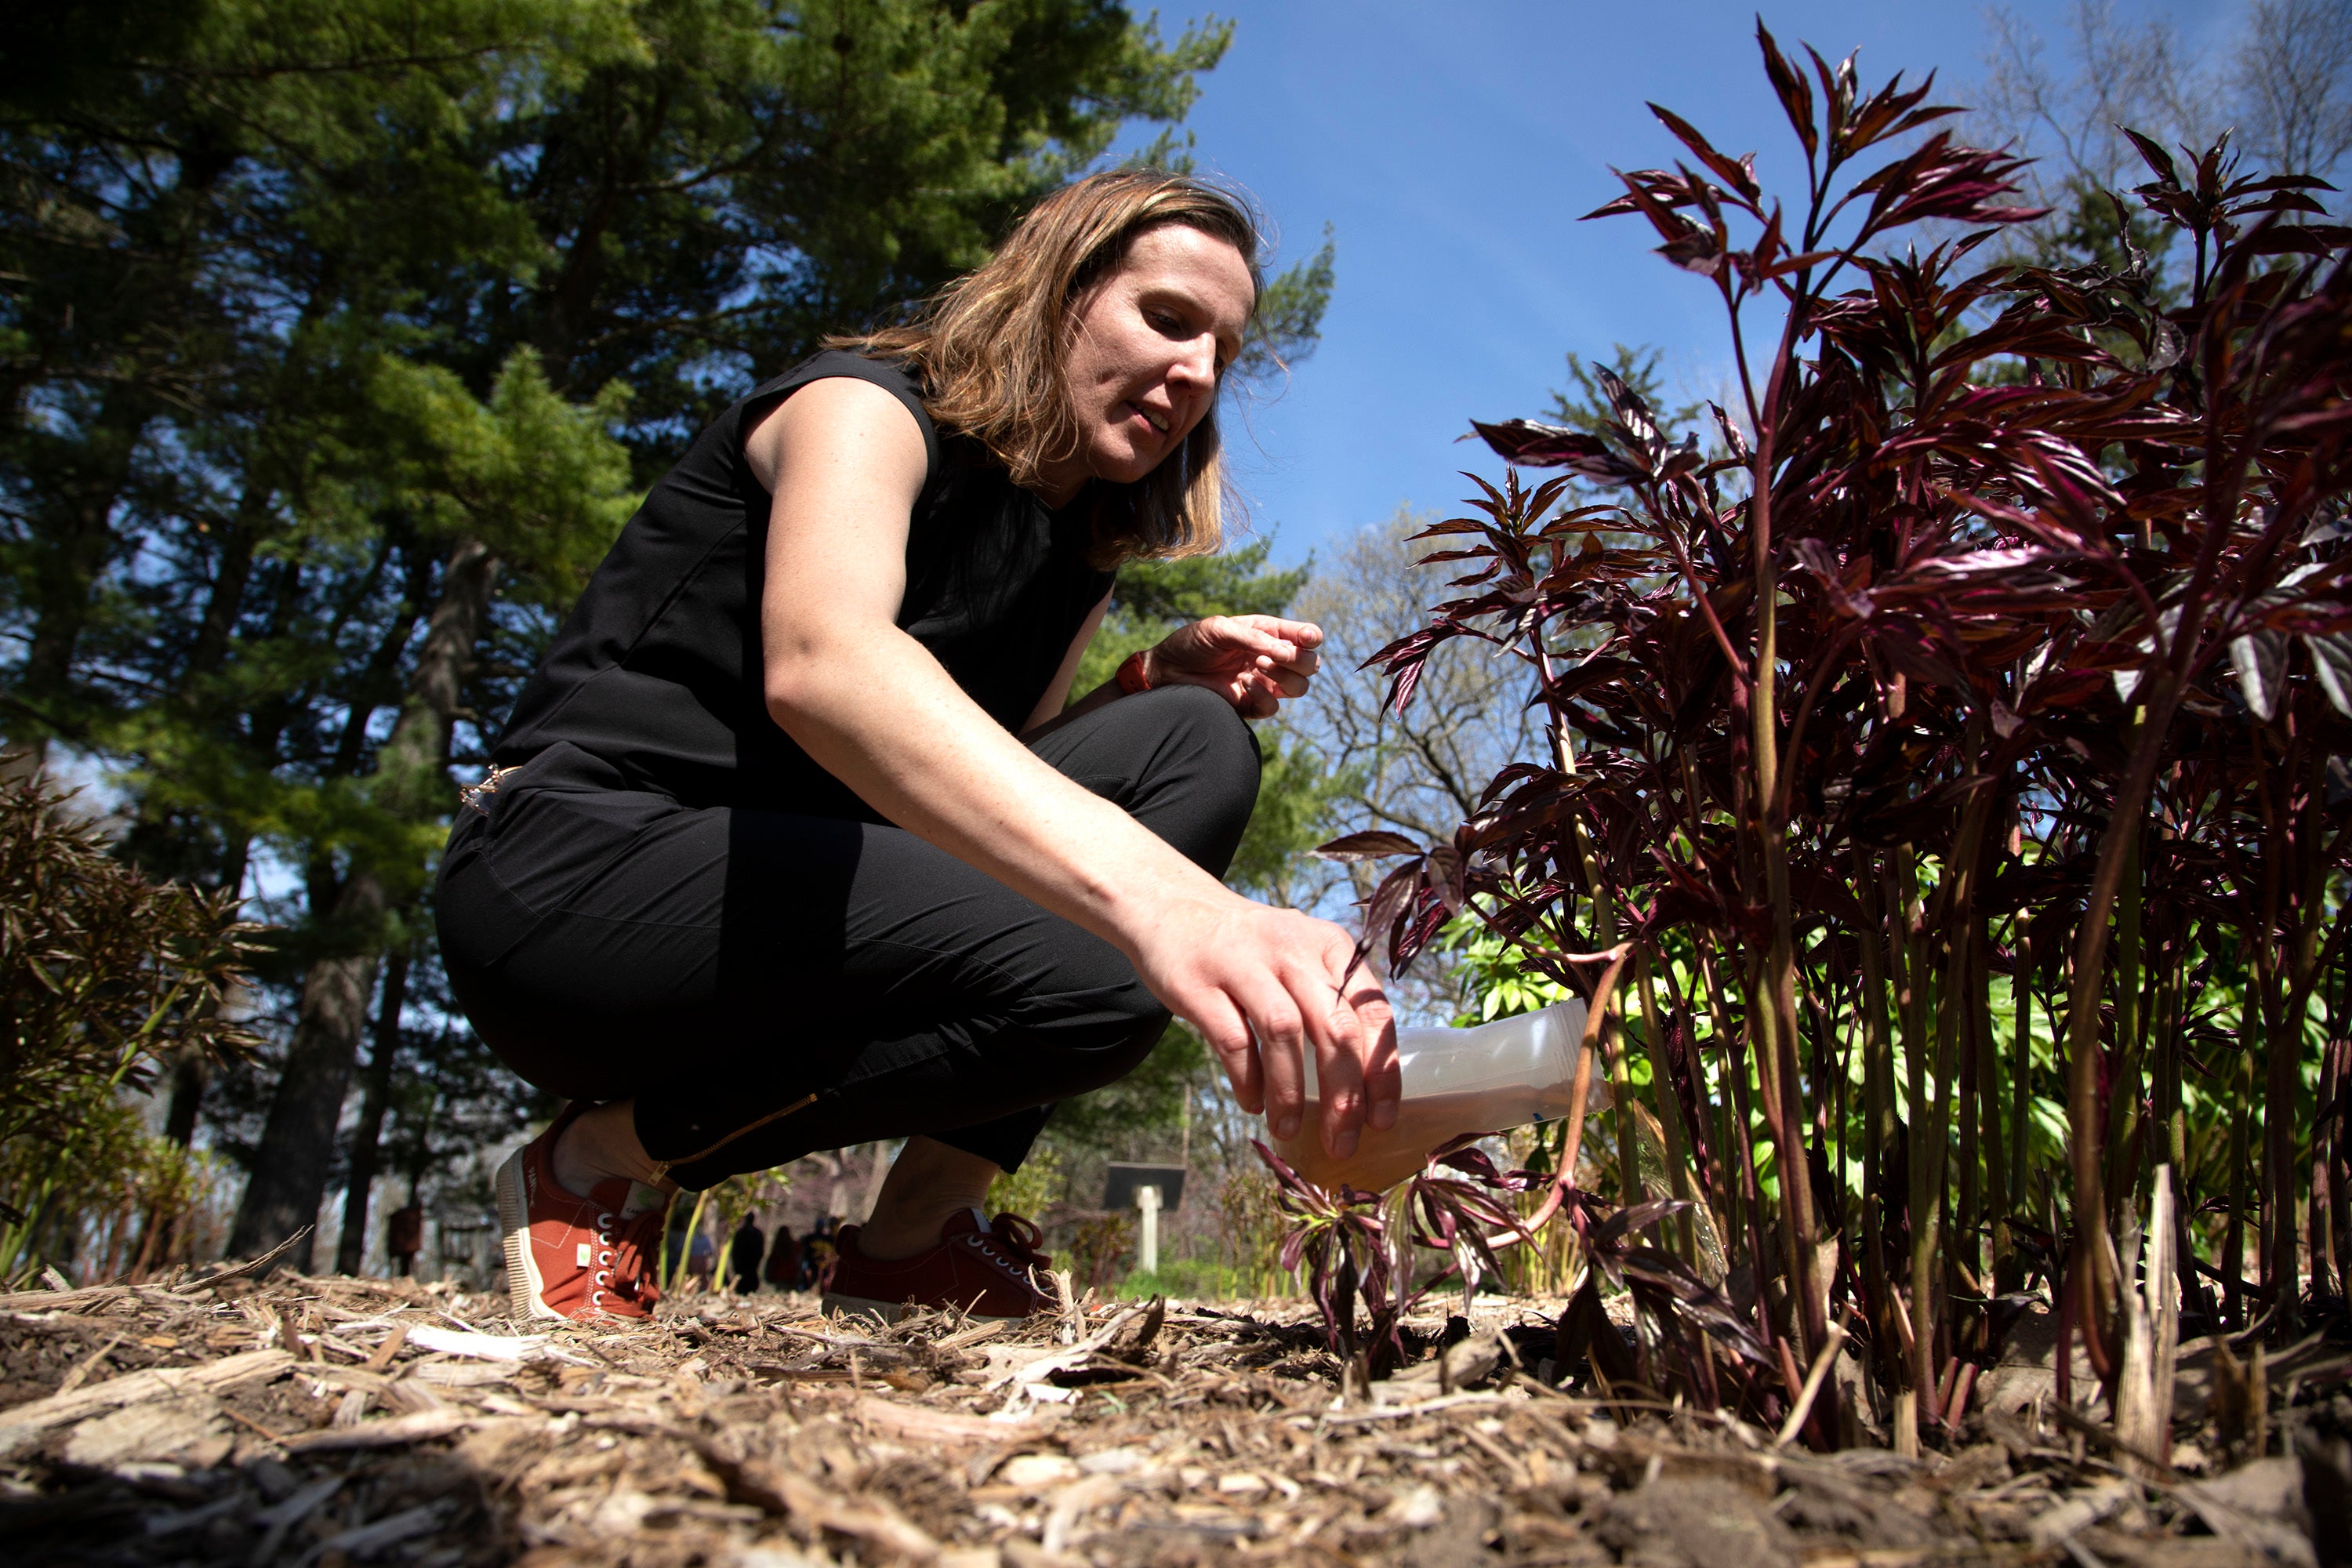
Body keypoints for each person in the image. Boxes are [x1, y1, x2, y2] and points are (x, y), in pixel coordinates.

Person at [445, 170, 1398, 1327]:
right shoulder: (863, 409)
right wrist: (1189, 914)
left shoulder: (1076, 559)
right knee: (1110, 965)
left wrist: (1148, 681)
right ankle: (598, 1165)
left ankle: (915, 1234)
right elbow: (827, 665)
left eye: (1224, 354)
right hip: (572, 875)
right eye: (1167, 317)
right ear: (1058, 291)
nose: (1198, 372)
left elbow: (996, 771)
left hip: (798, 901)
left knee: (1196, 743)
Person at [729, 1217, 766, 1294]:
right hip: (744, 1265)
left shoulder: (753, 1233)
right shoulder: (753, 1233)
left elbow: (760, 1249)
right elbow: (736, 1250)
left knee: (749, 1280)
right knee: (745, 1281)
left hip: (750, 1264)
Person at [762, 1221, 797, 1293]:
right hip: (789, 1275)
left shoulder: (778, 1247)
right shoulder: (794, 1246)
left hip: (781, 1276)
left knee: (781, 1291)